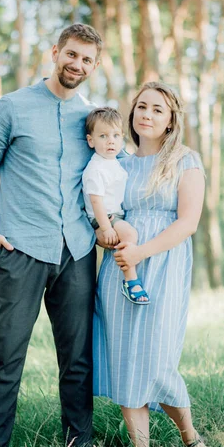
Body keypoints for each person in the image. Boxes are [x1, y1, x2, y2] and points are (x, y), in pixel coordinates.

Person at [0, 23, 103, 447]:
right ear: (54, 52)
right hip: (21, 248)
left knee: (78, 359)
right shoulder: (12, 108)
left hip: (78, 251)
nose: (76, 65)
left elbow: (115, 175)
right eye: (71, 54)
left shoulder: (94, 120)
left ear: (94, 66)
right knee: (7, 355)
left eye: (86, 59)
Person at [93, 81, 216, 447]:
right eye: (141, 107)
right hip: (119, 273)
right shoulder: (118, 164)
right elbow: (103, 218)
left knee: (158, 358)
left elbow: (188, 222)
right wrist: (108, 236)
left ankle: (192, 440)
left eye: (157, 110)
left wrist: (141, 251)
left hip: (163, 265)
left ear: (170, 121)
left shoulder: (185, 160)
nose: (147, 114)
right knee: (127, 358)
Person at [82, 107, 150, 305]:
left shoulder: (114, 162)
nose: (110, 141)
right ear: (91, 140)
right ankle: (131, 281)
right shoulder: (96, 168)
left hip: (112, 214)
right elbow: (96, 201)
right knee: (130, 235)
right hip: (103, 216)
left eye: (115, 135)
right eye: (103, 136)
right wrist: (105, 228)